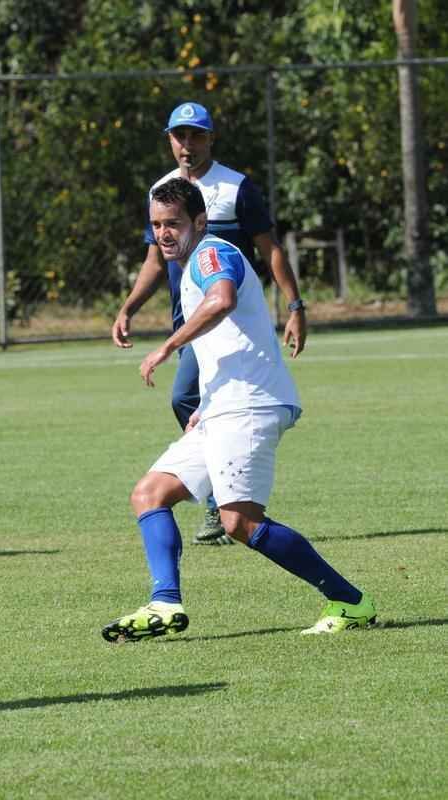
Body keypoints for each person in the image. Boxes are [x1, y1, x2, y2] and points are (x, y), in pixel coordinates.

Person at [102, 178, 376, 643]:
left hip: (248, 404)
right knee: (150, 493)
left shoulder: (212, 253)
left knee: (240, 523)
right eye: (156, 225)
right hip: (223, 407)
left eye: (173, 224)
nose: (164, 233)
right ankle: (165, 603)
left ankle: (350, 602)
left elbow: (222, 300)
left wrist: (168, 345)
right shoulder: (190, 264)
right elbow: (227, 342)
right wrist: (204, 405)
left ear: (200, 222)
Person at [112, 101, 307, 546]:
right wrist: (128, 308)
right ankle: (223, 491)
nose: (187, 144)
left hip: (227, 325)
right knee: (192, 405)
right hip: (192, 330)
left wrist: (295, 305)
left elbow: (269, 248)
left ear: (210, 138)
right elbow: (154, 262)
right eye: (180, 135)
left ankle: (223, 500)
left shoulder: (235, 186)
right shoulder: (162, 191)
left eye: (196, 135)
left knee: (184, 394)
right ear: (169, 140)